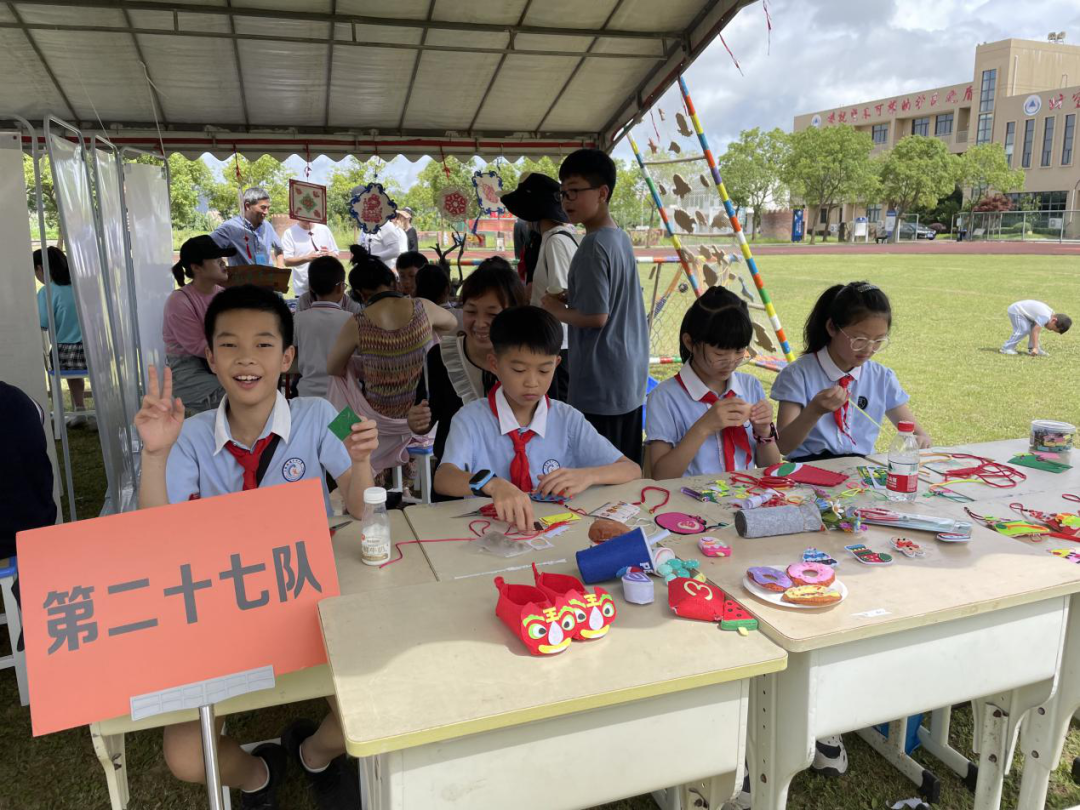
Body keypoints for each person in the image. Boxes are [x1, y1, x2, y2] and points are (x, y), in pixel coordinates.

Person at [135, 284, 378, 810]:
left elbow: (362, 504)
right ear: (209, 356)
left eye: (264, 344)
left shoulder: (321, 412)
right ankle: (256, 775)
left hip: (309, 598)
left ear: (287, 356)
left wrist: (360, 462)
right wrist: (154, 456)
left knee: (374, 700)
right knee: (187, 757)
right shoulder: (189, 433)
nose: (247, 358)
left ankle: (312, 751)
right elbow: (152, 533)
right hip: (221, 607)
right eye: (229, 344)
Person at [433, 305, 640, 531]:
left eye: (544, 370)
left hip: (555, 533)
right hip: (486, 533)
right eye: (519, 370)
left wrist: (588, 476)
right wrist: (491, 484)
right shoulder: (471, 419)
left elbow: (631, 469)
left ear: (556, 364)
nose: (532, 382)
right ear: (495, 364)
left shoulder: (567, 419)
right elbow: (444, 478)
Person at [541, 149, 649, 463]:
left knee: (600, 473)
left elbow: (597, 316)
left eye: (574, 190)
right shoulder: (618, 238)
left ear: (602, 193)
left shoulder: (592, 245)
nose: (566, 200)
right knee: (626, 467)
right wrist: (571, 296)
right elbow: (610, 298)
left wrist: (552, 308)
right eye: (563, 192)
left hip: (601, 383)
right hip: (627, 379)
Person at [326, 246, 457, 472]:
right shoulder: (423, 307)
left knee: (337, 382)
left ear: (360, 294)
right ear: (394, 283)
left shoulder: (358, 321)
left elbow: (333, 367)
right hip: (424, 415)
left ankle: (345, 453)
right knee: (434, 343)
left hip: (378, 419)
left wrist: (371, 361)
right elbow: (452, 324)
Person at [773, 281, 932, 464]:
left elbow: (917, 434)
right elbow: (783, 446)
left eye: (879, 340)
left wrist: (920, 440)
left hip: (861, 469)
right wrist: (814, 411)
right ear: (832, 327)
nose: (869, 349)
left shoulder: (881, 378)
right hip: (809, 469)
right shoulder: (798, 375)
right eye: (859, 339)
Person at [646, 288, 781, 479]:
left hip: (747, 499)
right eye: (720, 353)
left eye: (739, 351)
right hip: (690, 502)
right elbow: (661, 476)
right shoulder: (664, 397)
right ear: (690, 342)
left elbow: (773, 469)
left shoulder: (750, 386)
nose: (731, 361)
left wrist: (764, 430)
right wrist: (704, 427)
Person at [408, 259, 525, 464]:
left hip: (515, 476)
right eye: (470, 311)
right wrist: (417, 421)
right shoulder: (441, 356)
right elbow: (426, 417)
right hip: (455, 477)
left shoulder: (531, 359)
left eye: (492, 314)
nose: (479, 323)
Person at [502, 173, 580, 402]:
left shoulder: (556, 241)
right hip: (554, 338)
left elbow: (559, 290)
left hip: (557, 341)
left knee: (557, 404)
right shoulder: (553, 238)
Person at [163, 236, 234, 413]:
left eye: (223, 260)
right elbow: (198, 347)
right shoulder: (179, 301)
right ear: (196, 267)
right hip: (188, 368)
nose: (224, 264)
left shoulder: (223, 296)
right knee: (234, 394)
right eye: (217, 261)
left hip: (220, 359)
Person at [34, 247, 88, 423]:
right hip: (92, 353)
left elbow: (42, 323)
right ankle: (80, 408)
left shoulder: (47, 292)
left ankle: (79, 409)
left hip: (65, 354)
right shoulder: (82, 286)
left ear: (40, 268)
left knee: (59, 357)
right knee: (77, 371)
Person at [293, 256, 355, 399]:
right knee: (347, 423)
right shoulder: (352, 320)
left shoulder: (298, 319)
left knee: (311, 423)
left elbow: (293, 352)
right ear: (341, 287)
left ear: (311, 287)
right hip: (344, 399)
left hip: (308, 396)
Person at [211, 187, 284, 267]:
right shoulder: (229, 228)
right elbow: (207, 250)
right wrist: (221, 267)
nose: (266, 212)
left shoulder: (267, 226)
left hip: (268, 278)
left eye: (268, 208)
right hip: (242, 279)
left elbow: (279, 250)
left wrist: (279, 270)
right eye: (263, 208)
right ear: (247, 206)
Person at [281, 218, 340, 298]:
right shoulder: (289, 233)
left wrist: (328, 254)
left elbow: (335, 253)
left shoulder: (324, 229)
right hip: (303, 290)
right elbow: (287, 261)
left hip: (327, 288)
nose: (307, 218)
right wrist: (307, 258)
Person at [1000, 300, 1071, 356]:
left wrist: (1035, 348)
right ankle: (1006, 348)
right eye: (1052, 329)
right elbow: (1035, 331)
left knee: (1032, 328)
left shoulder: (1050, 314)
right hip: (1016, 310)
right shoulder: (1045, 316)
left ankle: (1032, 349)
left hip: (1024, 313)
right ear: (1054, 320)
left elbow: (1034, 329)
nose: (1049, 330)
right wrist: (1035, 347)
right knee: (1023, 329)